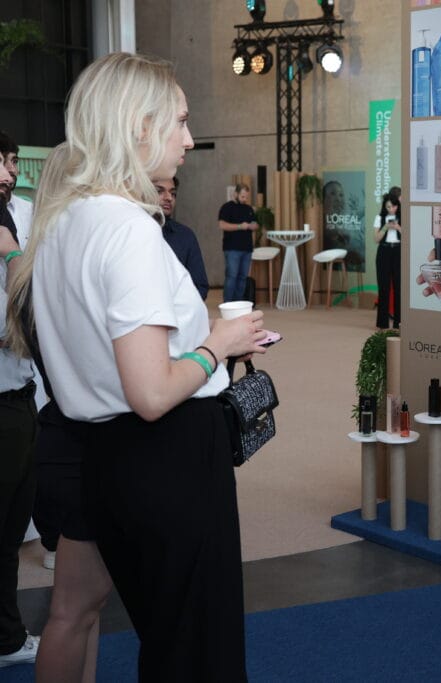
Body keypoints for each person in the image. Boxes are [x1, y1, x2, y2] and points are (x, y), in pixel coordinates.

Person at [5, 52, 267, 679]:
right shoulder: (126, 229)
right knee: (197, 651)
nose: (187, 139)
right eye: (177, 122)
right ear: (137, 126)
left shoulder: (64, 221)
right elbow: (151, 391)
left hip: (107, 457)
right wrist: (221, 343)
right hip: (169, 455)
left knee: (169, 637)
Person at [0, 159, 40, 669]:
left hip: (20, 397)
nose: (8, 179)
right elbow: (20, 322)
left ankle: (6, 636)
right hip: (4, 405)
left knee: (10, 529)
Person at [156, 177, 209, 299]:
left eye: (173, 193)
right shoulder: (131, 233)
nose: (169, 198)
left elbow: (200, 286)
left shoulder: (185, 236)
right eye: (159, 191)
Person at [218, 183, 257, 302]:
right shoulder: (227, 207)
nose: (245, 199)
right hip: (232, 248)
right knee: (232, 277)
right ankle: (228, 304)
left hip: (247, 248)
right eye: (243, 196)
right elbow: (222, 225)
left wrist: (253, 226)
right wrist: (240, 226)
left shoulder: (249, 209)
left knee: (242, 278)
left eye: (246, 197)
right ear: (236, 194)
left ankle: (239, 303)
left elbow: (256, 224)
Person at [373, 194, 402, 330]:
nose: (392, 209)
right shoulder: (379, 218)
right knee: (383, 288)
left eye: (394, 206)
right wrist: (385, 227)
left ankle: (399, 323)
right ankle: (382, 323)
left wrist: (397, 227)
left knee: (399, 288)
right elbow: (376, 238)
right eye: (388, 206)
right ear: (385, 207)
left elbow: (408, 237)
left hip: (398, 252)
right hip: (384, 252)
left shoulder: (403, 218)